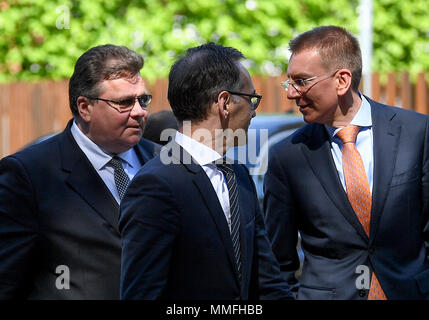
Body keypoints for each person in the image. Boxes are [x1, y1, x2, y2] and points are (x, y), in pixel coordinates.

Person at [264, 25, 429, 300]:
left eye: (302, 81)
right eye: (289, 82)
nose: (291, 93)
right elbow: (276, 262)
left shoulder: (417, 133)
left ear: (342, 80)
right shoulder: (287, 156)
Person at [119, 43, 293, 300]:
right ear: (224, 103)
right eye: (251, 100)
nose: (253, 112)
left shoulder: (238, 174)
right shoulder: (157, 185)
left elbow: (267, 282)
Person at [0, 44, 160, 299]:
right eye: (125, 102)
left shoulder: (165, 162)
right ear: (85, 107)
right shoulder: (29, 174)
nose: (139, 112)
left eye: (143, 100)